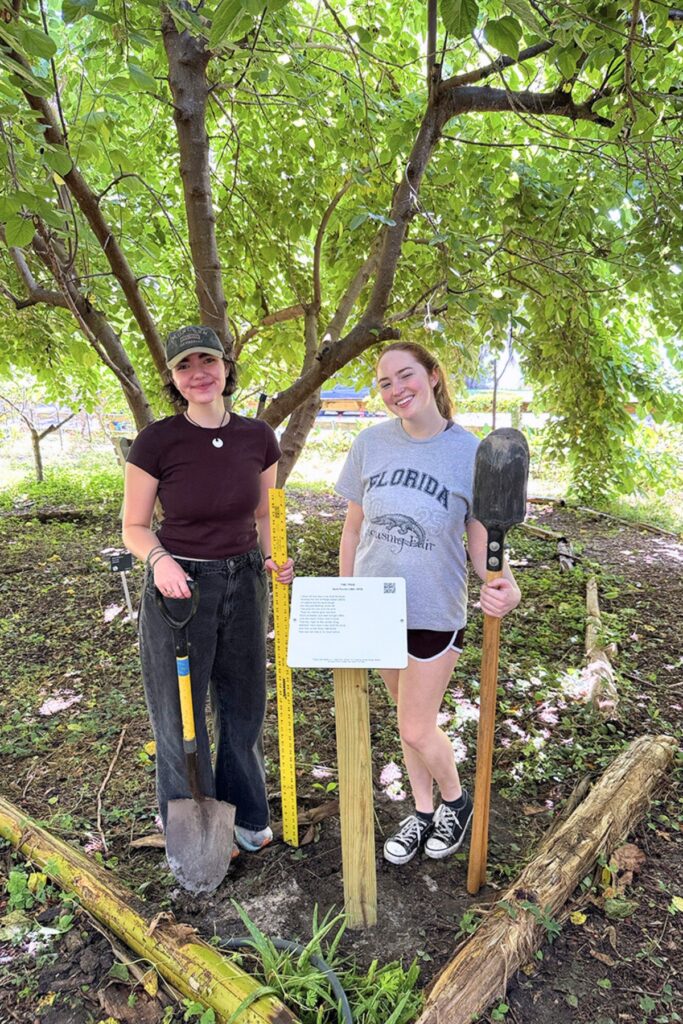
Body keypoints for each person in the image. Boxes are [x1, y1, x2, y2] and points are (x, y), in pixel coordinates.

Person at [335, 342, 520, 866]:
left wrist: (506, 584)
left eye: (406, 375)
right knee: (403, 719)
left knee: (418, 725)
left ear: (434, 376)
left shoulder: (473, 453)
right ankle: (421, 811)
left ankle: (455, 802)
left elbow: (485, 542)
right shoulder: (369, 445)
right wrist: (349, 593)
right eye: (385, 383)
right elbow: (353, 531)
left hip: (434, 609)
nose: (396, 390)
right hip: (374, 606)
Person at [122, 325, 293, 857]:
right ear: (173, 379)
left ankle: (245, 818)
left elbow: (265, 513)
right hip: (180, 589)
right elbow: (133, 525)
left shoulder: (257, 436)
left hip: (244, 582)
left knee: (243, 706)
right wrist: (160, 562)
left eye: (208, 361)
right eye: (185, 366)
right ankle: (191, 829)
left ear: (226, 368)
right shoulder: (157, 441)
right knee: (179, 714)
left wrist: (274, 556)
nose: (199, 373)